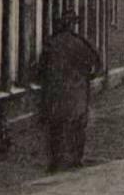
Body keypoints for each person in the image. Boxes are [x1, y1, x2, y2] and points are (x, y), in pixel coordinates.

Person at [39, 9, 100, 172]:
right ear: (73, 25)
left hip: (56, 93)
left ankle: (54, 161)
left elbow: (41, 68)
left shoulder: (51, 42)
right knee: (77, 126)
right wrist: (88, 76)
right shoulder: (80, 43)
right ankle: (75, 160)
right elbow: (96, 64)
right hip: (77, 93)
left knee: (55, 127)